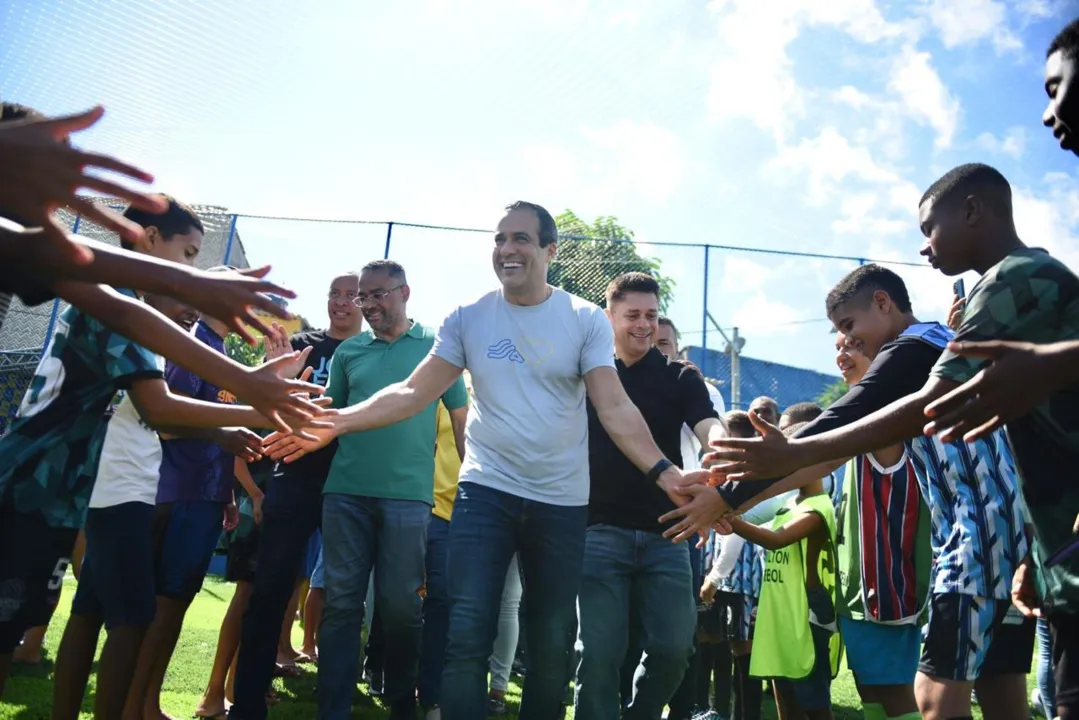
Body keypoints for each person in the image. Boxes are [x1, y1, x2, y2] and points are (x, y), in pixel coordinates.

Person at [263, 201, 715, 720]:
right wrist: (336, 421)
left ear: (549, 250)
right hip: (486, 492)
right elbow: (413, 391)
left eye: (521, 238)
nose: (507, 249)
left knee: (551, 643)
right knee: (467, 627)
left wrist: (666, 473)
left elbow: (614, 406)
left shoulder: (584, 319)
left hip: (561, 501)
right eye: (500, 238)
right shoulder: (468, 318)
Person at [674, 260, 1034, 720]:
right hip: (1013, 539)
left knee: (934, 697)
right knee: (1002, 691)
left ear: (883, 303)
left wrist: (728, 497)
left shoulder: (911, 349)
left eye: (848, 326)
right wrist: (735, 499)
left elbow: (832, 429)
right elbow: (827, 456)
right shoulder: (942, 346)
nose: (846, 341)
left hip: (974, 541)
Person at [0, 199, 318, 699]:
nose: (191, 270)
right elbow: (160, 408)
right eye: (188, 254)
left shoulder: (125, 303)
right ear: (149, 240)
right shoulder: (120, 302)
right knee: (122, 618)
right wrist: (258, 403)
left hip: (56, 489)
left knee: (76, 617)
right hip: (37, 488)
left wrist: (252, 390)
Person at [127, 267, 304, 720]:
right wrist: (225, 433)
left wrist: (226, 490)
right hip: (176, 492)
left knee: (177, 602)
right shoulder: (194, 346)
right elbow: (165, 421)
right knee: (162, 605)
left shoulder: (219, 350)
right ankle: (136, 704)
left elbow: (220, 427)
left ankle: (148, 701)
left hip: (205, 496)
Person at [314, 259, 469, 720]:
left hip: (410, 498)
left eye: (378, 294)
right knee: (342, 605)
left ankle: (403, 703)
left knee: (402, 606)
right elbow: (330, 417)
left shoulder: (438, 351)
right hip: (344, 494)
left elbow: (461, 427)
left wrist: (474, 490)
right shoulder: (349, 353)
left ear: (405, 292)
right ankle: (333, 709)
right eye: (363, 295)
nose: (368, 304)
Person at [916, 19, 1079, 440]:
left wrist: (795, 453)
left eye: (1055, 89)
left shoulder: (1014, 275)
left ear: (971, 210)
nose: (1047, 115)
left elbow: (932, 401)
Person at [574, 273, 726, 720]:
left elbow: (708, 425)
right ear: (609, 318)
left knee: (675, 648)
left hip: (667, 534)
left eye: (652, 315)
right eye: (633, 315)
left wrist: (719, 450)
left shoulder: (681, 377)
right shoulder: (590, 376)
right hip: (598, 531)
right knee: (599, 652)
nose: (644, 325)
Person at [229, 273, 366, 720]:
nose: (342, 302)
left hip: (349, 483)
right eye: (335, 294)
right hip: (294, 477)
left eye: (352, 295)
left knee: (344, 595)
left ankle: (337, 698)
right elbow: (257, 402)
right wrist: (273, 378)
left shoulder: (373, 353)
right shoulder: (299, 345)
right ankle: (246, 701)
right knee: (269, 587)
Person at [830, 333, 928, 720]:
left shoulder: (883, 421)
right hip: (859, 593)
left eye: (853, 343)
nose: (841, 355)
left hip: (888, 588)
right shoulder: (865, 420)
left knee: (893, 690)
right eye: (837, 346)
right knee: (868, 686)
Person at [722, 435, 838, 720]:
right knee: (784, 693)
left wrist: (726, 519)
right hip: (782, 617)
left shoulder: (818, 507)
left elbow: (775, 541)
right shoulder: (788, 505)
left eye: (794, 460)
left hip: (807, 619)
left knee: (814, 701)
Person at [652, 314, 727, 720]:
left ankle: (684, 709)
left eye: (665, 342)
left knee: (682, 630)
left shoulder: (700, 390)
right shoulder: (619, 383)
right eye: (652, 340)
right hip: (626, 514)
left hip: (685, 516)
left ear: (677, 348)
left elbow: (712, 438)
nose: (656, 346)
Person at [699, 411, 772, 720]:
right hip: (731, 582)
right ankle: (719, 710)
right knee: (724, 650)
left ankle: (745, 714)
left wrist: (713, 578)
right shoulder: (732, 471)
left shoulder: (744, 474)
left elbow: (735, 534)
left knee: (742, 652)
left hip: (738, 582)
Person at [419, 394, 468, 719]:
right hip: (439, 512)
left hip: (485, 514)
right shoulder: (447, 387)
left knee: (473, 611)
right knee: (438, 601)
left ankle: (464, 695)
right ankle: (432, 698)